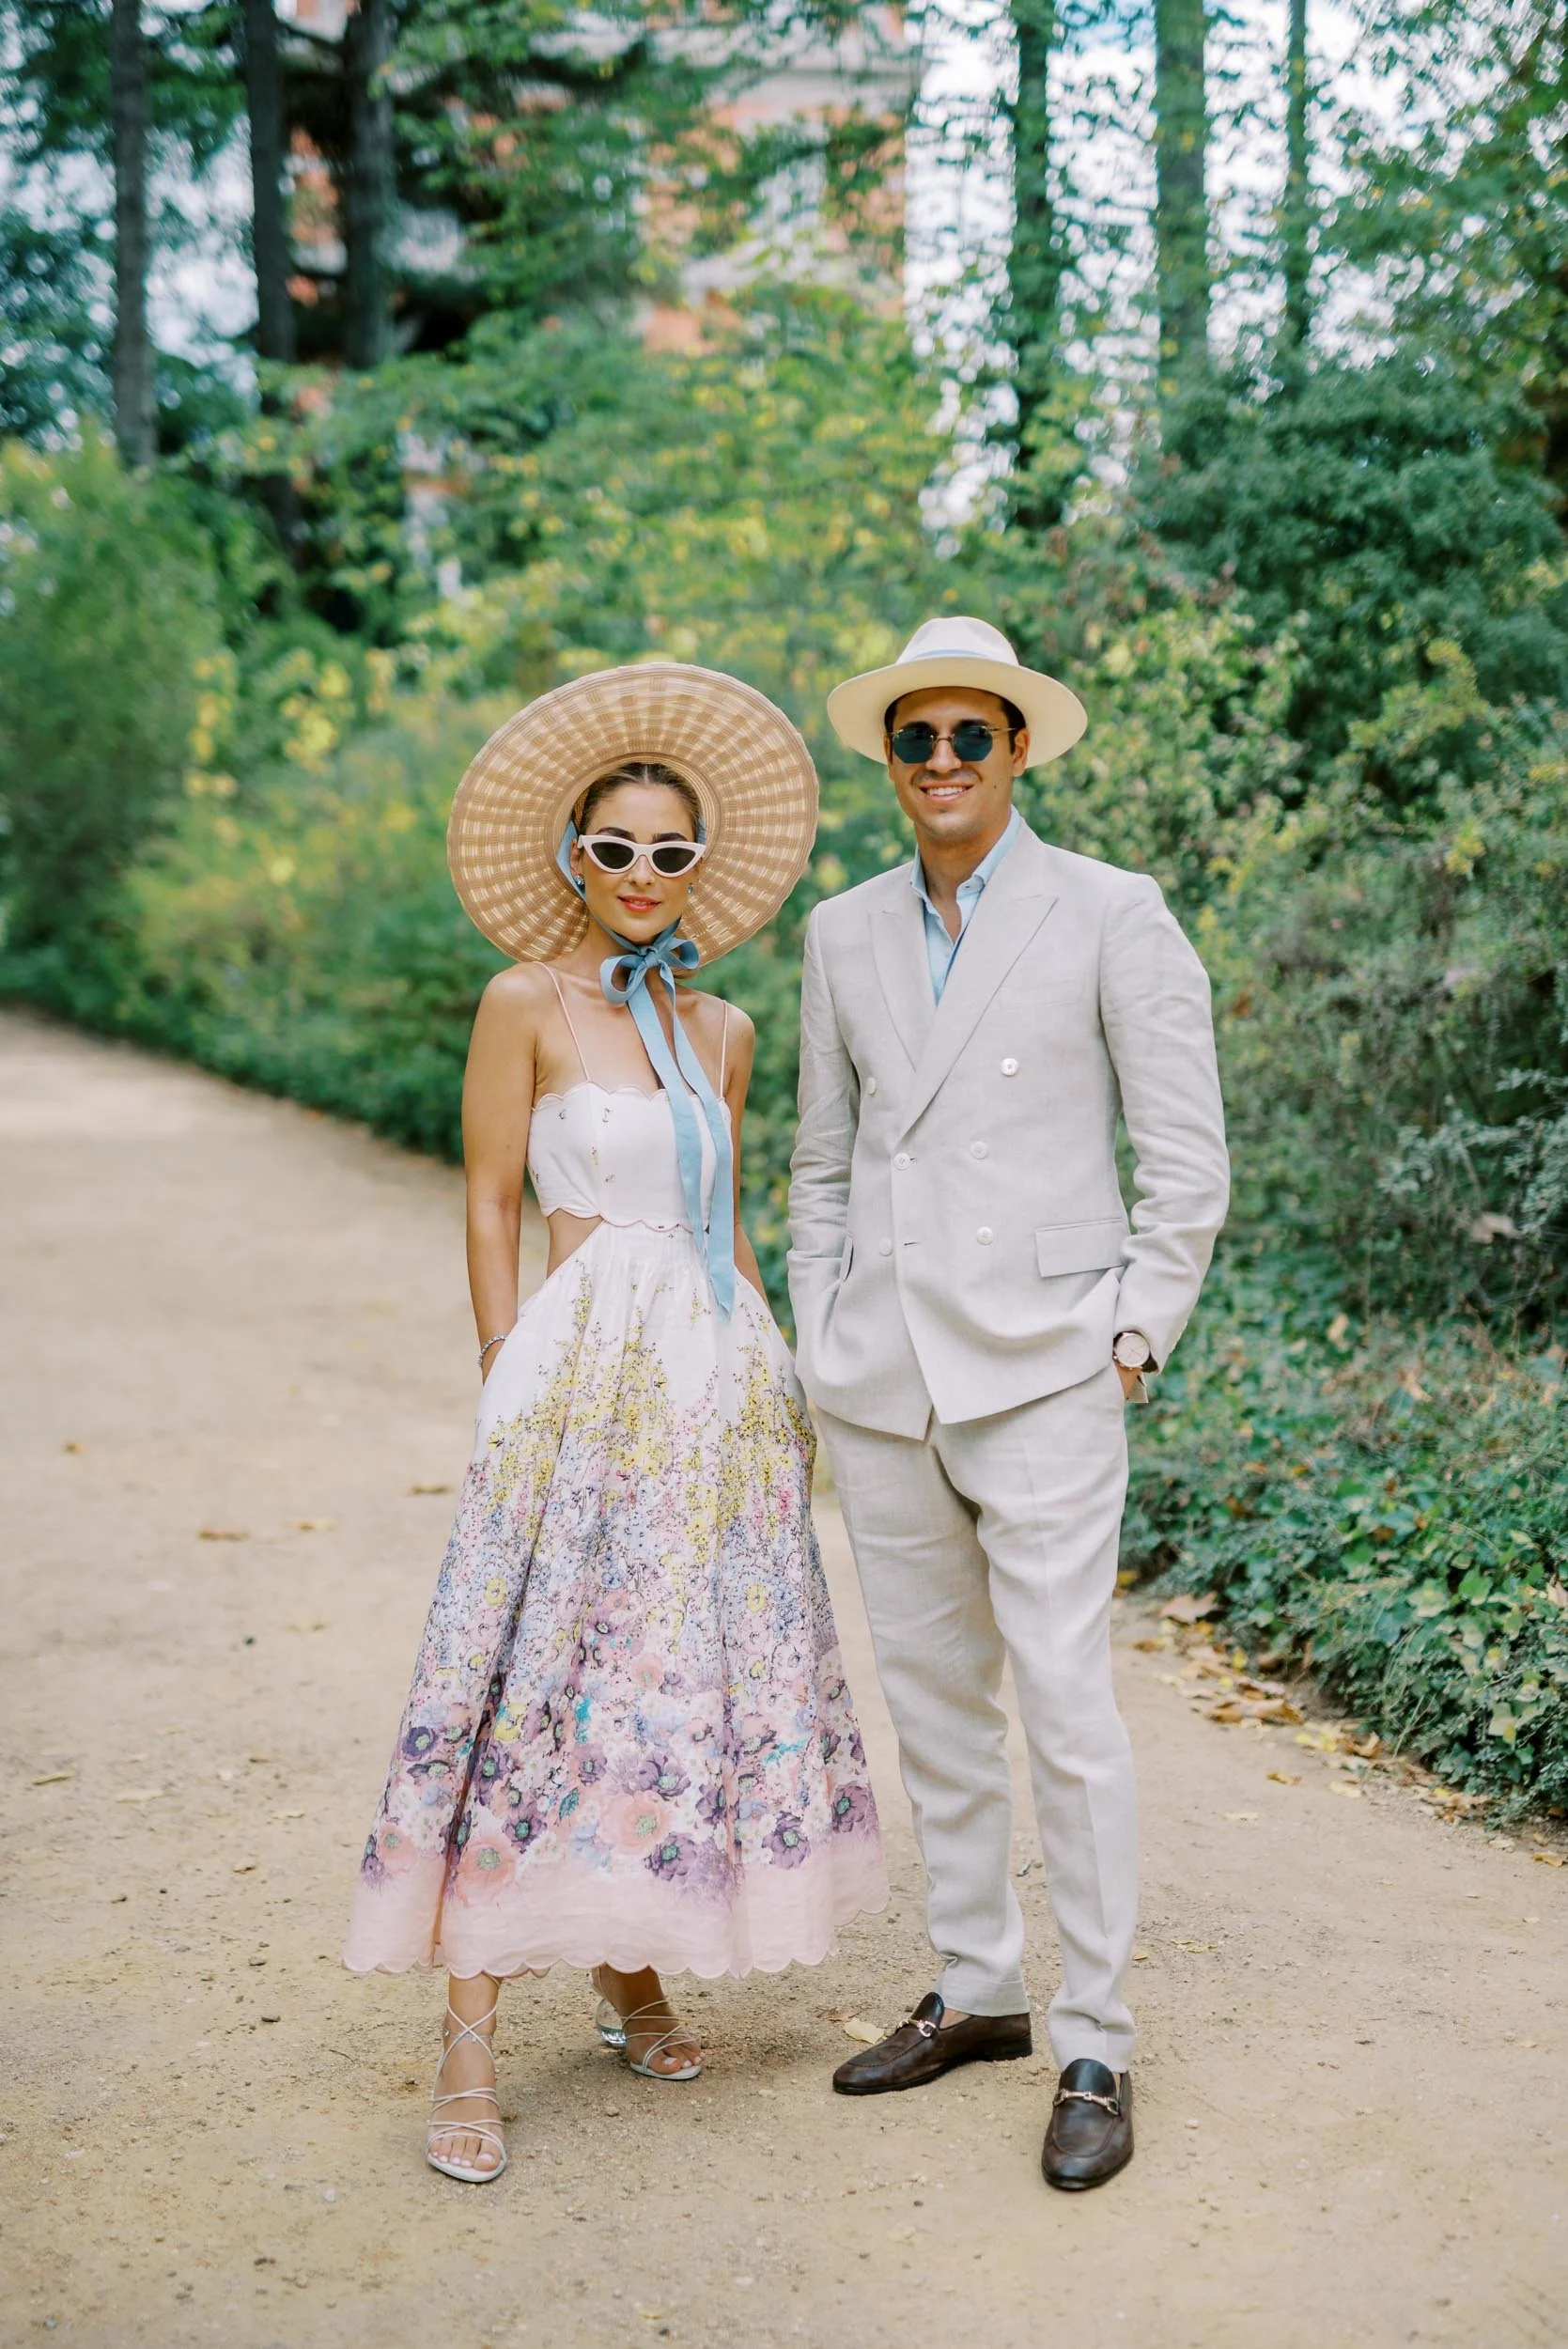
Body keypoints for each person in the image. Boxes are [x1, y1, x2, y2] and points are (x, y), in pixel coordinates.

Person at [345, 662, 887, 2184]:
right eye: (617, 848)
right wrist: (501, 1358)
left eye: (671, 853)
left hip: (710, 1381)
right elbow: (488, 1197)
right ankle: (467, 2037)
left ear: (697, 868)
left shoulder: (723, 1031)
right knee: (531, 1669)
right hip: (574, 1381)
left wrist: (782, 1377)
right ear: (574, 858)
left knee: (666, 1679)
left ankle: (629, 1962)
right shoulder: (524, 1001)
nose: (644, 875)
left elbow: (728, 1224)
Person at [787, 615, 1228, 2190]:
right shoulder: (841, 933)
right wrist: (816, 1327)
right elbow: (823, 1159)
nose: (945, 764)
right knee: (938, 1713)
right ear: (890, 761)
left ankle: (1093, 2031)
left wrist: (1132, 1337)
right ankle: (976, 1987)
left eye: (973, 737)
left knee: (1067, 1707)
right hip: (884, 1378)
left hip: (1051, 1365)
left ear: (1019, 749)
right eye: (918, 741)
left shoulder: (1113, 913)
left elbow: (1188, 1161)